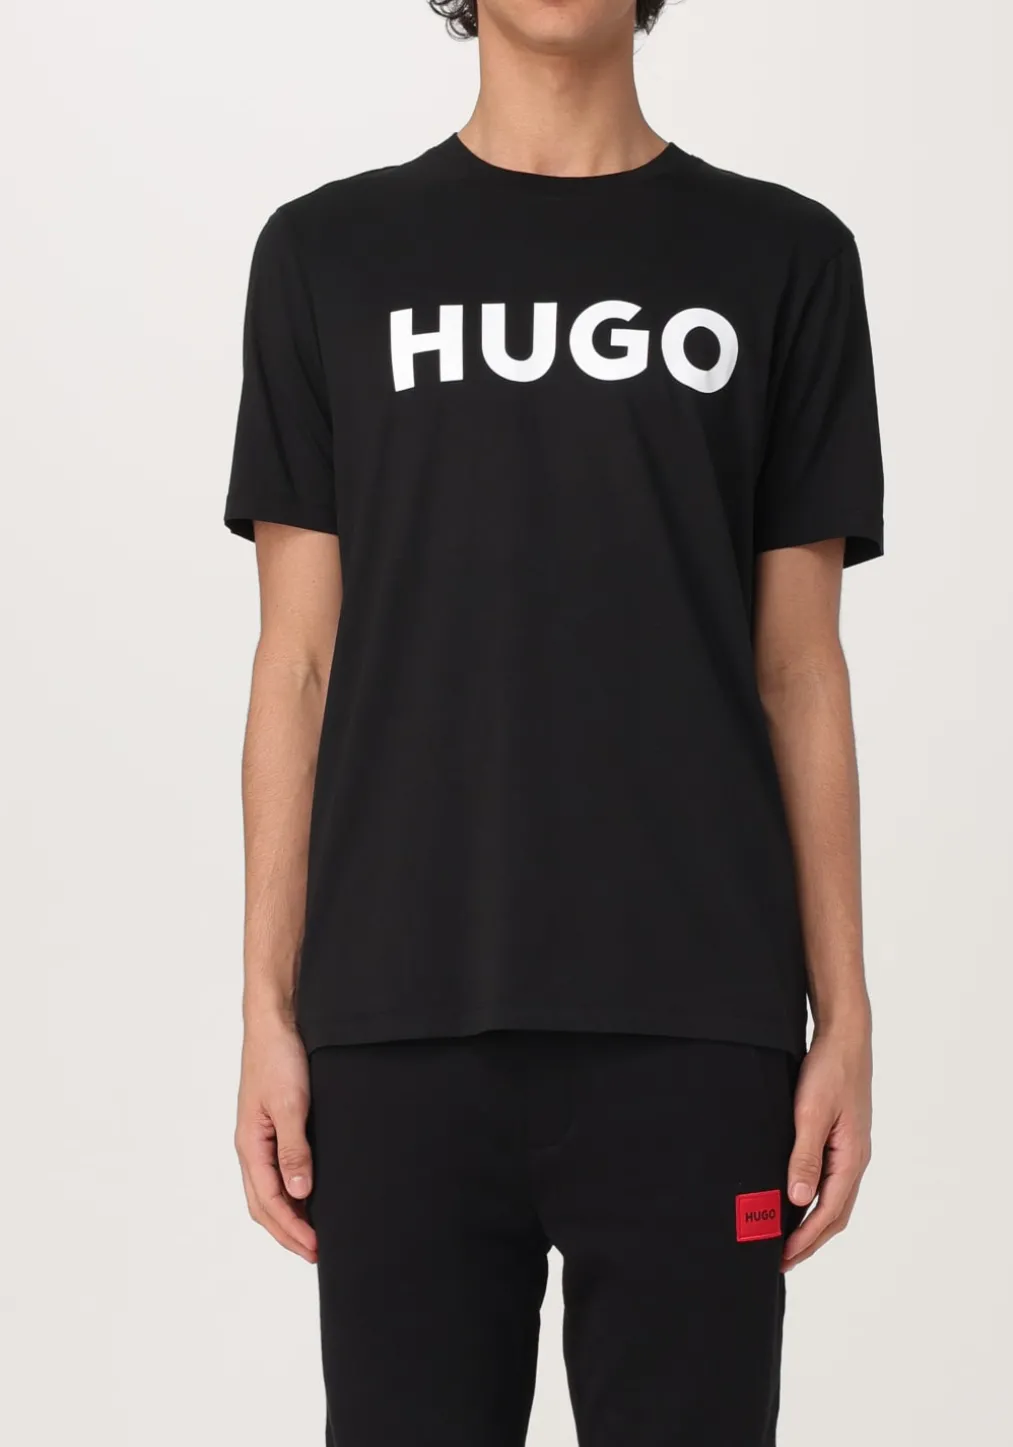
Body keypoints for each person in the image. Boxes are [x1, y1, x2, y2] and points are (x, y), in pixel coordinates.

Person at [225, 1, 884, 1442]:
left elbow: (801, 669)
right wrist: (268, 1009)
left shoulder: (785, 258)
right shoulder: (327, 256)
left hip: (698, 1025)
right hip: (395, 1021)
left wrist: (845, 1015)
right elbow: (298, 665)